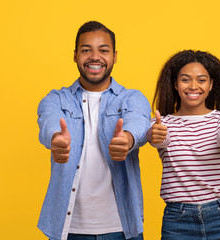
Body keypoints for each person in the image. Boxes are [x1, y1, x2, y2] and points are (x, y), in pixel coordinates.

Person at [37, 21, 151, 240]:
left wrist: (126, 140)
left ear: (115, 56)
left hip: (122, 228)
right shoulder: (56, 99)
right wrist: (55, 139)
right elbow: (48, 120)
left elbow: (138, 120)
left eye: (104, 50)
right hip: (68, 229)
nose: (95, 57)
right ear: (75, 55)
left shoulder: (131, 98)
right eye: (86, 50)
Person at [147, 50, 220, 239]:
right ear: (176, 84)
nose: (193, 86)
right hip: (177, 220)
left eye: (201, 80)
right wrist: (155, 135)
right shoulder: (161, 124)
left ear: (211, 85)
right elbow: (159, 137)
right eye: (185, 79)